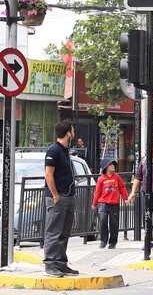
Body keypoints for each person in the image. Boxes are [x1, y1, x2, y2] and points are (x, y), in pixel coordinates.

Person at [43, 119, 79, 277]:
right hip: (58, 197)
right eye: (73, 130)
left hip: (68, 196)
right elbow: (48, 175)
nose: (74, 133)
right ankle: (50, 264)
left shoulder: (65, 150)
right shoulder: (54, 150)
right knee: (54, 231)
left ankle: (61, 263)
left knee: (64, 232)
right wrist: (56, 196)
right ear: (68, 133)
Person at [92, 159, 129, 249]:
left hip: (114, 203)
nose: (113, 166)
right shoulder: (101, 179)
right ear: (106, 167)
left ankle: (113, 242)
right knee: (103, 220)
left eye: (113, 164)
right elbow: (97, 192)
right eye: (110, 165)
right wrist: (94, 203)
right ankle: (103, 240)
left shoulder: (116, 177)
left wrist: (126, 198)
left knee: (114, 223)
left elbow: (122, 187)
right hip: (103, 202)